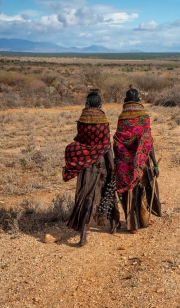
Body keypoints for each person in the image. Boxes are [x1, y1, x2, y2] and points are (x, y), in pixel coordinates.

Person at [63, 91, 120, 246]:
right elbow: (106, 145)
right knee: (108, 191)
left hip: (86, 163)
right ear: (100, 104)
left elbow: (81, 141)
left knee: (86, 197)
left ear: (87, 103)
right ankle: (114, 225)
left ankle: (83, 235)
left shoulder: (82, 119)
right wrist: (113, 166)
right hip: (101, 162)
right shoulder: (103, 120)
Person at [113, 88, 161, 234]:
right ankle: (142, 220)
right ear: (139, 99)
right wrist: (155, 164)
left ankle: (132, 224)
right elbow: (148, 142)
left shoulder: (122, 117)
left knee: (128, 191)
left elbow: (118, 140)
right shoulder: (144, 117)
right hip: (141, 161)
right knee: (142, 189)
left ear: (126, 100)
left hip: (124, 160)